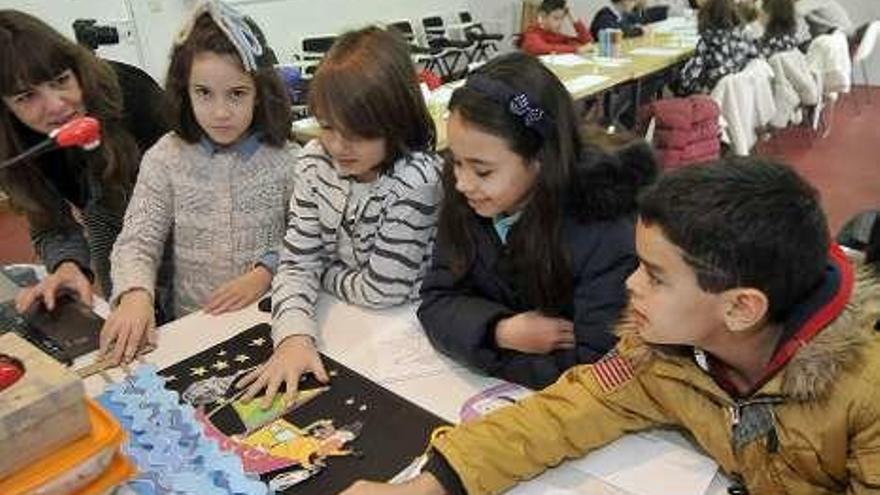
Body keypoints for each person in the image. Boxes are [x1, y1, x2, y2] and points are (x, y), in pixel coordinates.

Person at [340, 157, 880, 495]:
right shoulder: (660, 351)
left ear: (741, 309)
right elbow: (565, 412)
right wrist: (432, 484)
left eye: (655, 276)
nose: (631, 286)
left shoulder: (868, 391)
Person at [418, 52, 656, 389]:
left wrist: (480, 348)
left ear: (541, 159)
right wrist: (500, 331)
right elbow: (436, 301)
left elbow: (595, 369)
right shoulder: (470, 198)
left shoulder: (605, 230)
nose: (462, 183)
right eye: (455, 162)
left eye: (483, 170)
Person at [238, 26, 443, 408]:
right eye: (328, 126)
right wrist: (292, 336)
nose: (338, 146)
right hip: (345, 324)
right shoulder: (314, 161)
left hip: (406, 334)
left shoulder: (418, 180)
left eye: (359, 133)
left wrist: (320, 270)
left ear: (397, 119)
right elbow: (298, 262)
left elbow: (383, 292)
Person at [99, 0, 296, 364]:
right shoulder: (165, 157)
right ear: (183, 90)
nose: (220, 112)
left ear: (259, 91)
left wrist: (266, 270)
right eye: (203, 93)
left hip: (271, 323)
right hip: (194, 328)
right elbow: (137, 239)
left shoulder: (285, 160)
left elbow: (310, 240)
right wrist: (136, 291)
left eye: (237, 93)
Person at [0, 10, 167, 313]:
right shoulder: (14, 143)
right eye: (26, 96)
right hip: (106, 220)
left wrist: (140, 281)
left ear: (76, 68)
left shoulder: (135, 95)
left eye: (61, 80)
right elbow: (50, 223)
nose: (56, 106)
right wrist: (68, 263)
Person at [675, 0, 758, 94]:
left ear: (704, 16)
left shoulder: (708, 42)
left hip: (709, 96)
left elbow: (687, 82)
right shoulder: (745, 37)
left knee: (673, 78)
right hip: (737, 95)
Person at [520, 0, 593, 56]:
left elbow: (587, 41)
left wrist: (574, 19)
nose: (560, 23)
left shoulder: (557, 36)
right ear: (543, 16)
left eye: (562, 18)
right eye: (556, 18)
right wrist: (577, 49)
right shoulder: (531, 34)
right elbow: (542, 48)